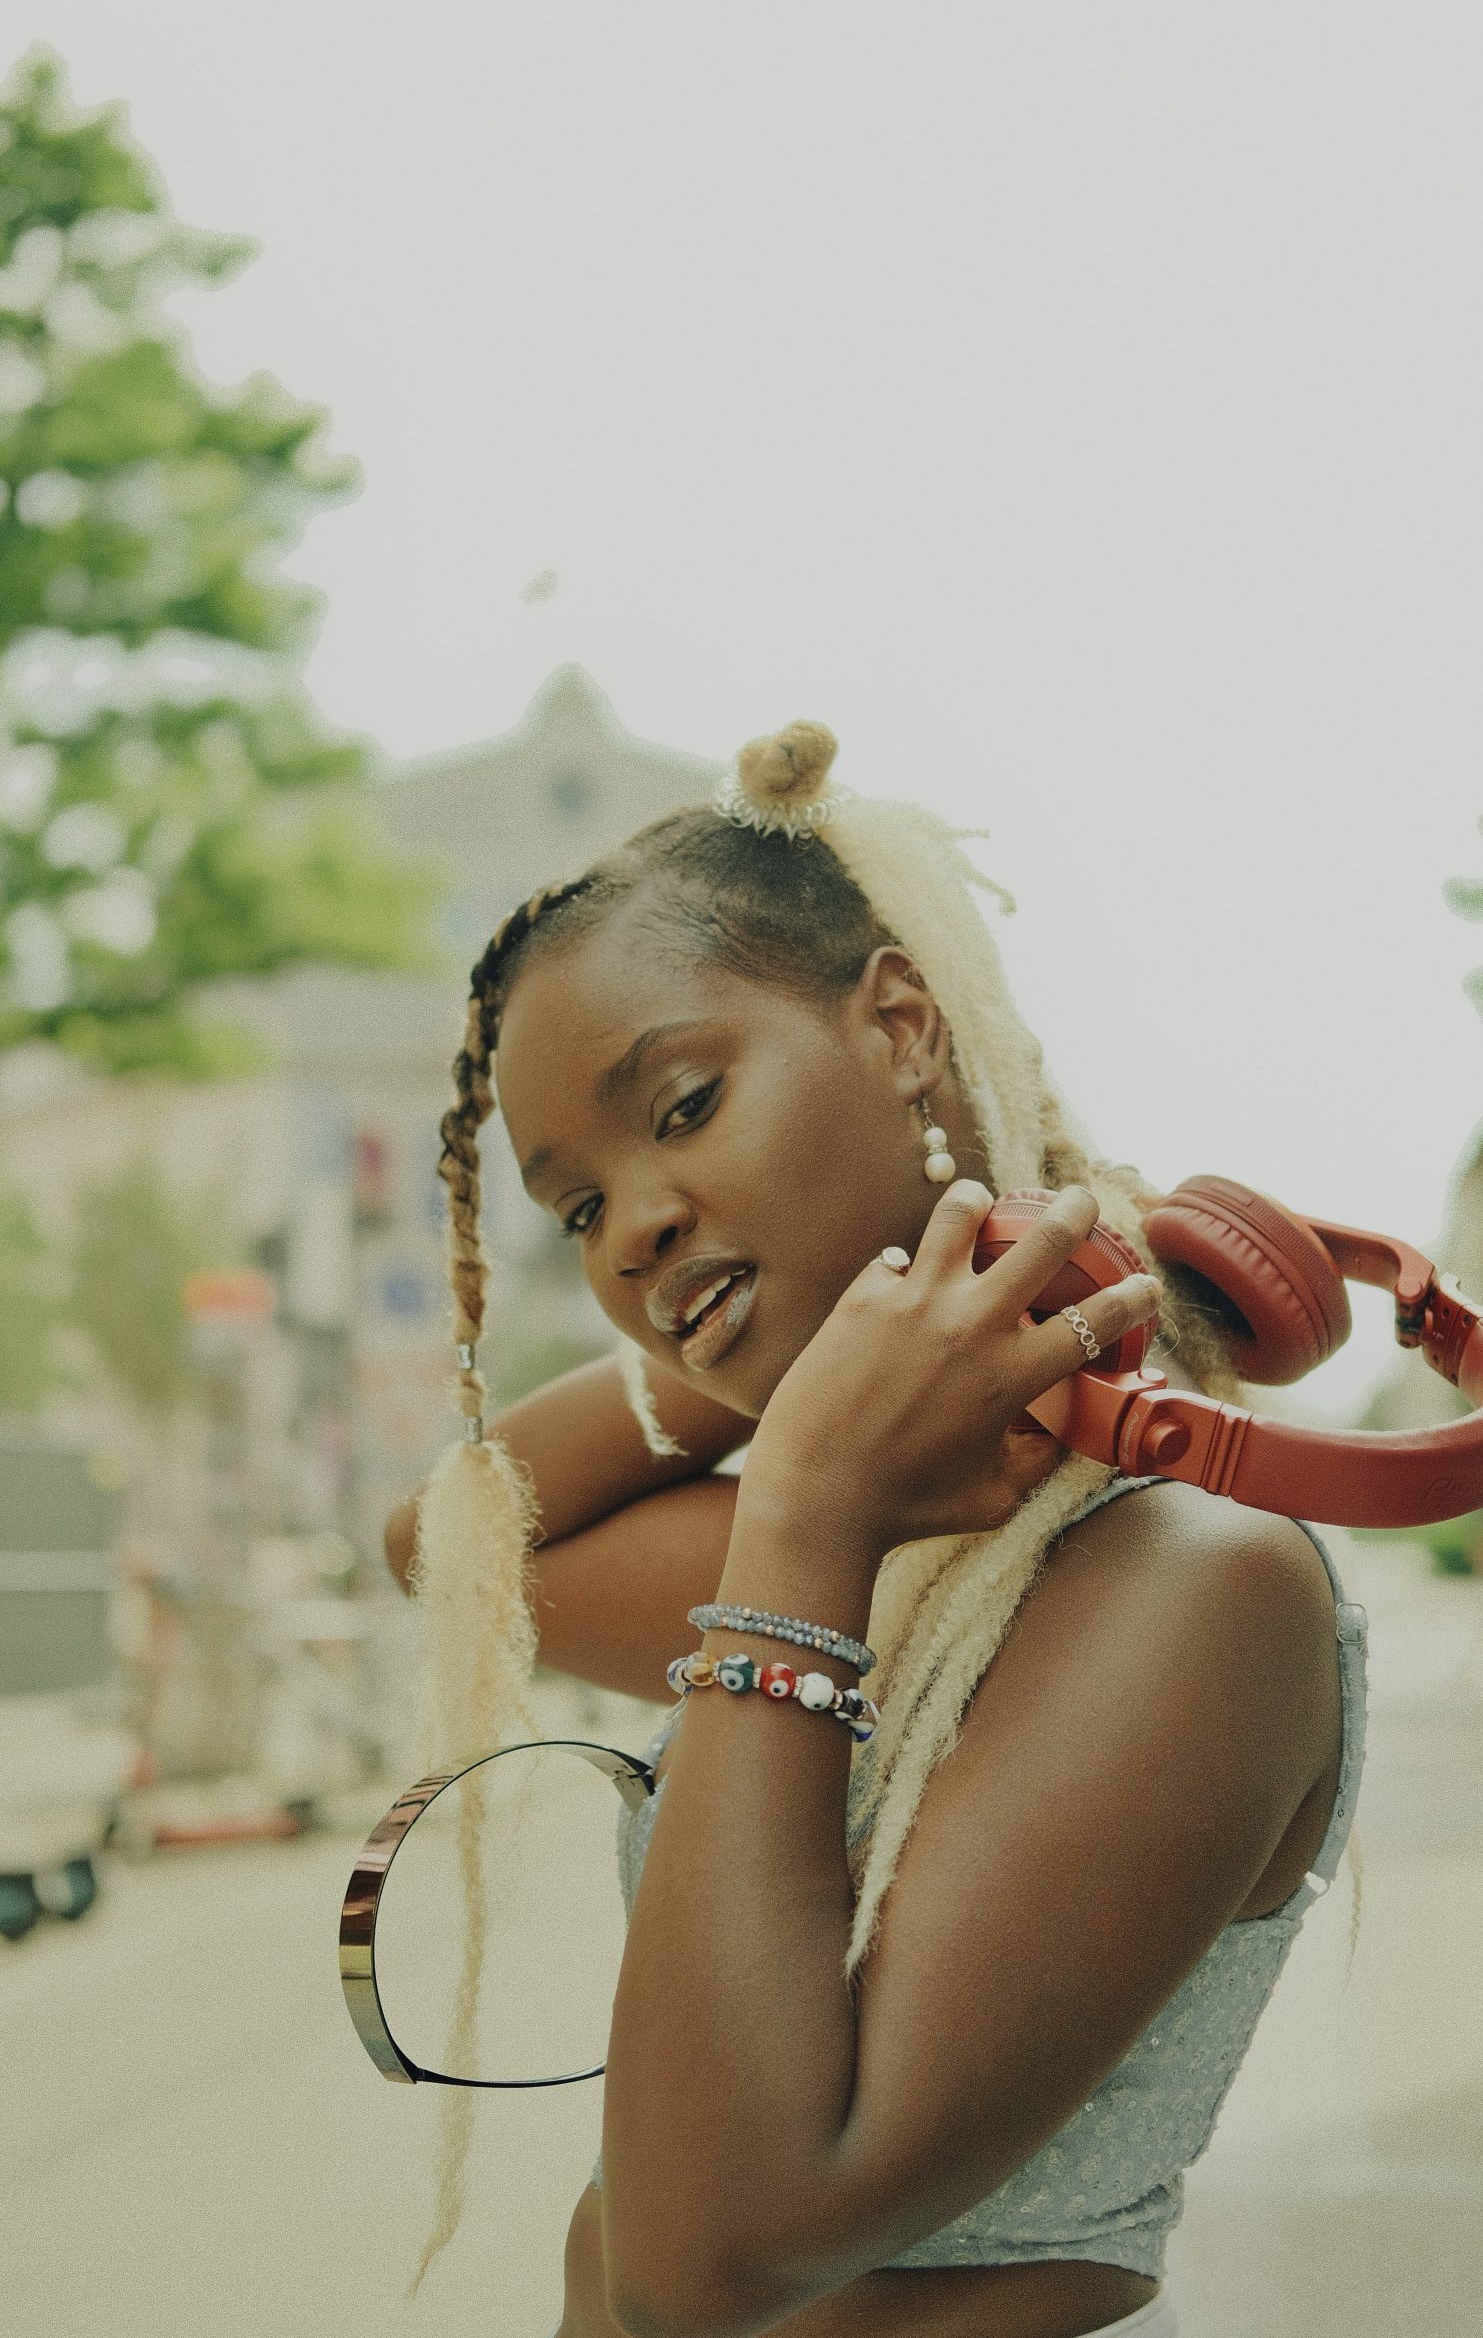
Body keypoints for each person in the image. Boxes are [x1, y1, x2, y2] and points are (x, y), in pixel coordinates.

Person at [383, 720, 1367, 2338]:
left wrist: (814, 1482)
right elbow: (463, 1540)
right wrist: (840, 1347)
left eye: (684, 1105)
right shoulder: (874, 1543)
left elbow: (709, 2263)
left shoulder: (1196, 1586)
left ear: (902, 1027)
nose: (627, 1233)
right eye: (579, 1208)